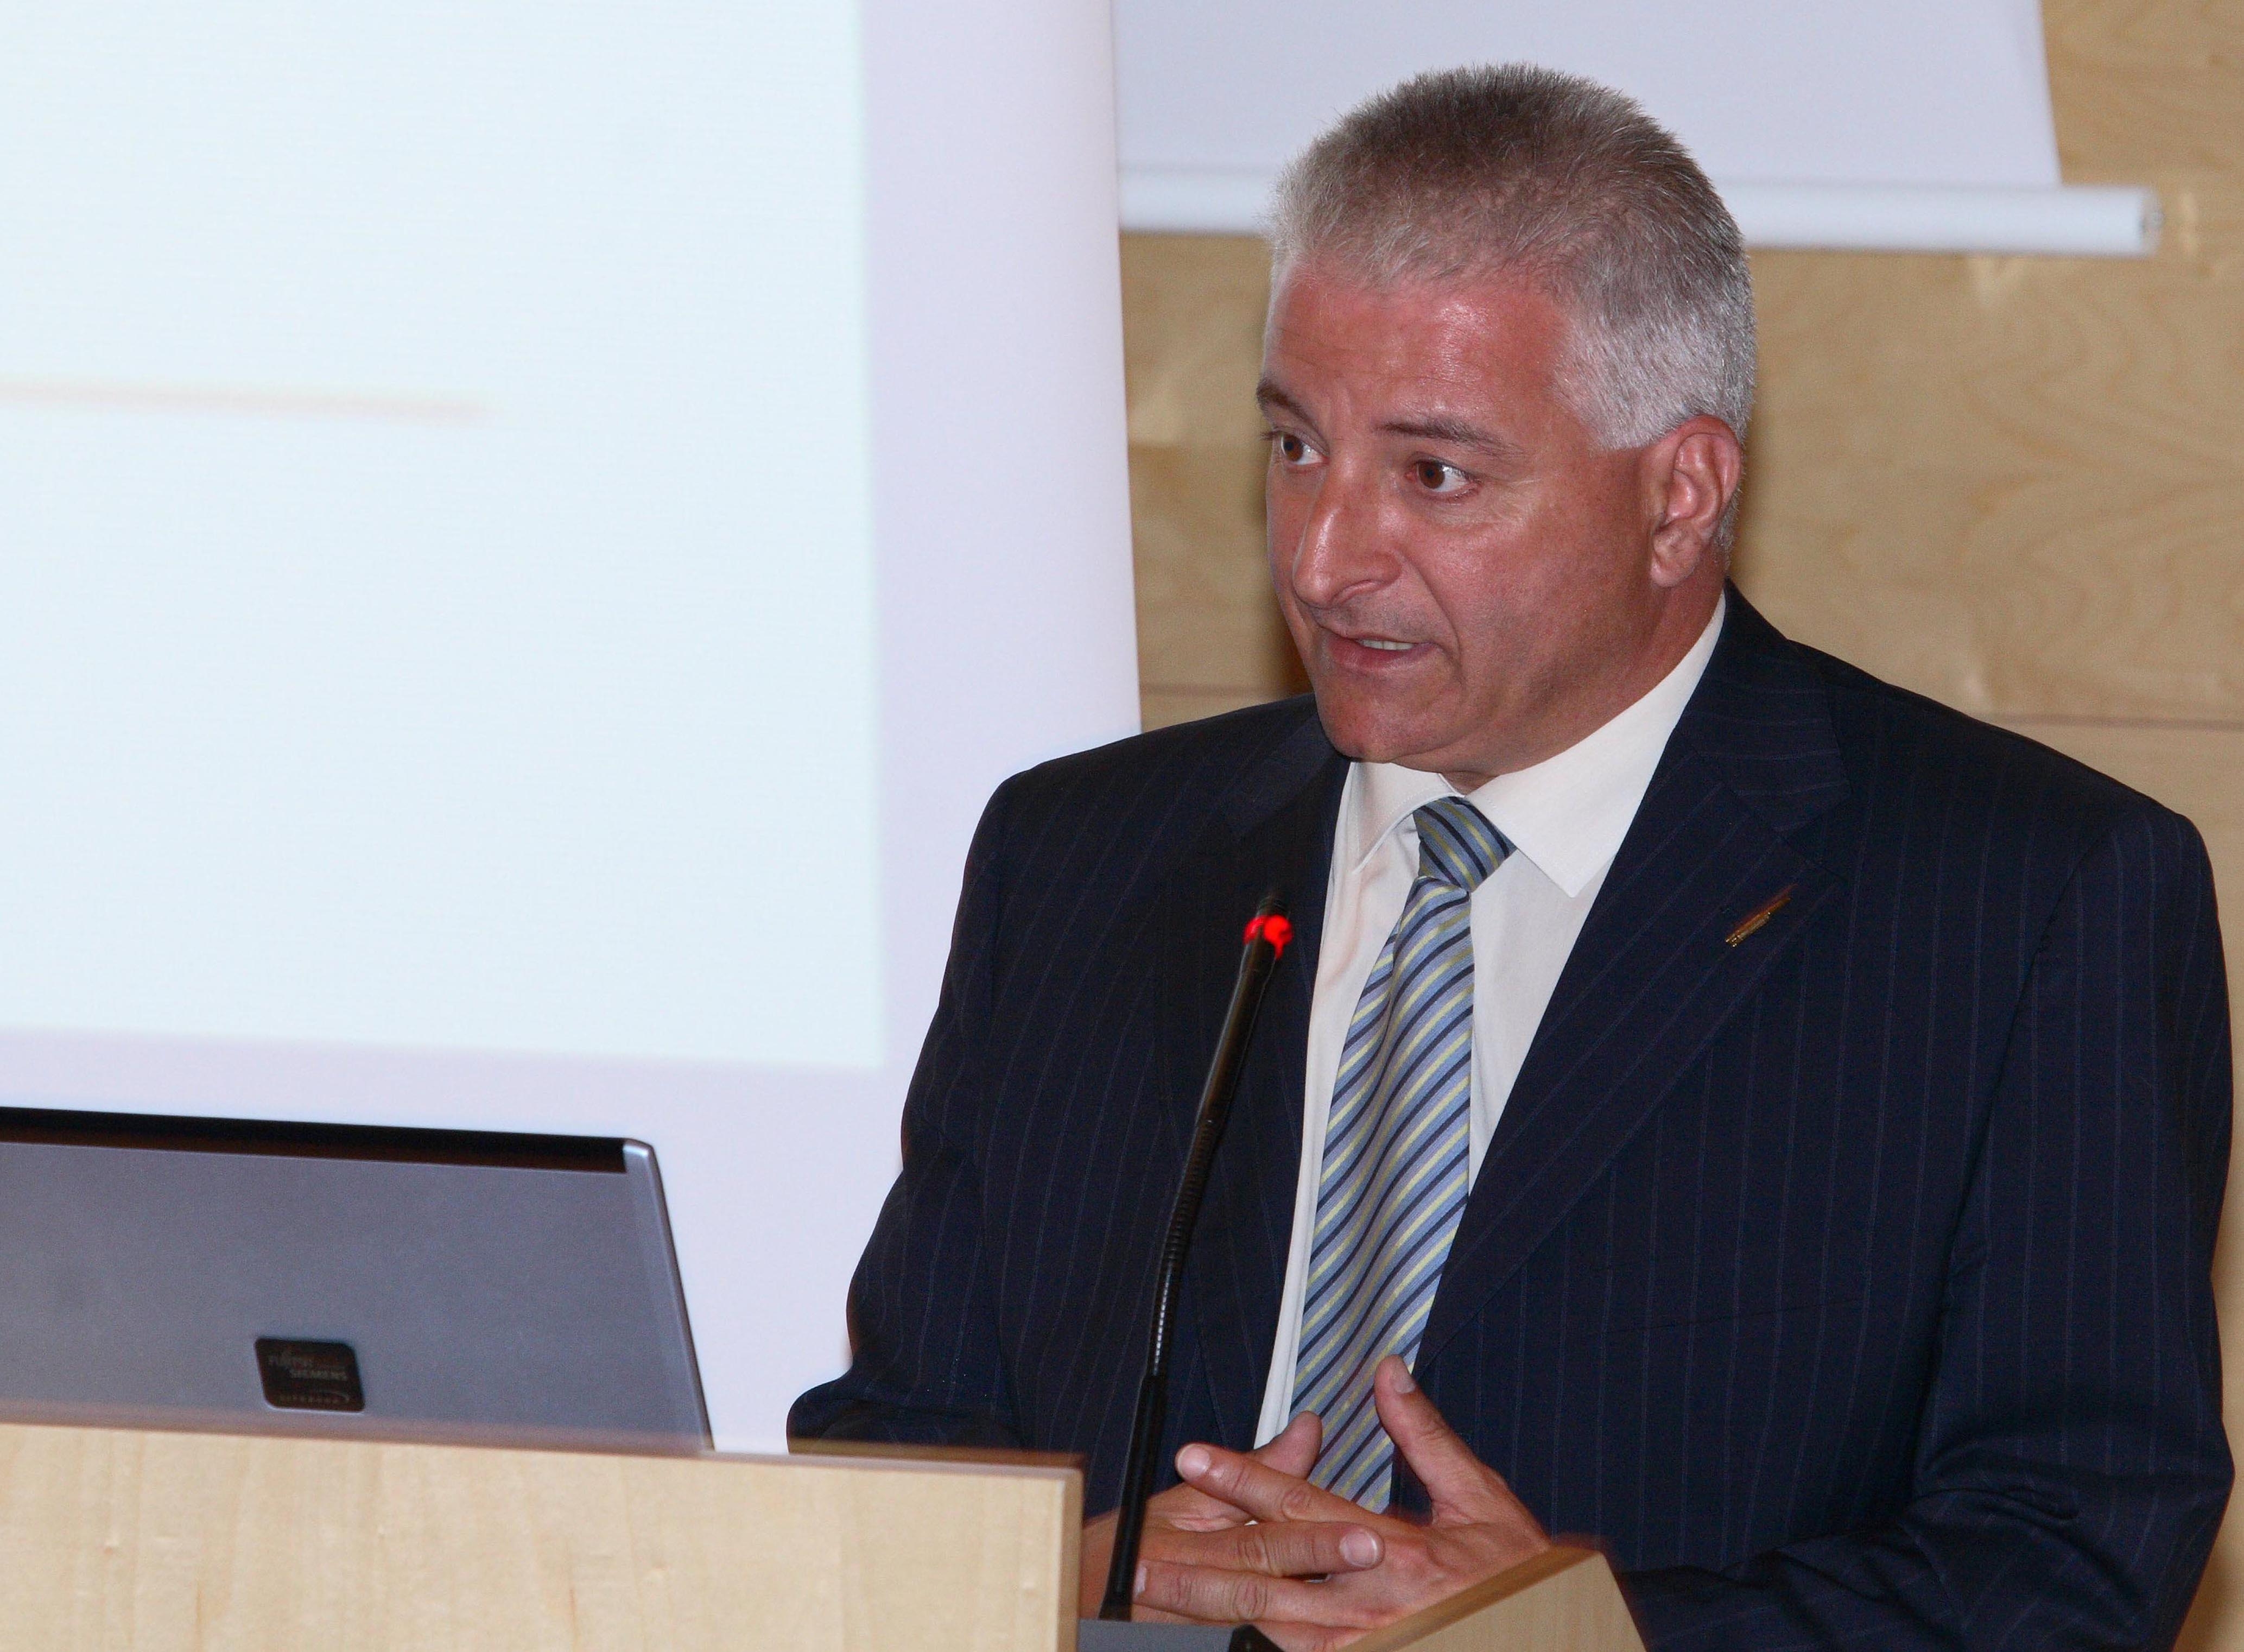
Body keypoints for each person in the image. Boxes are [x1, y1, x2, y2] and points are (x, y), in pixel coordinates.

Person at [791, 64, 2232, 1649]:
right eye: (1294, 447)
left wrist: (1579, 1634)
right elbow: (897, 1449)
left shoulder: (2028, 904)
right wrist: (1063, 1573)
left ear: (1679, 496)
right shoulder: (1081, 861)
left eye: (1436, 475)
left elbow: (2072, 1559)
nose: (1325, 558)